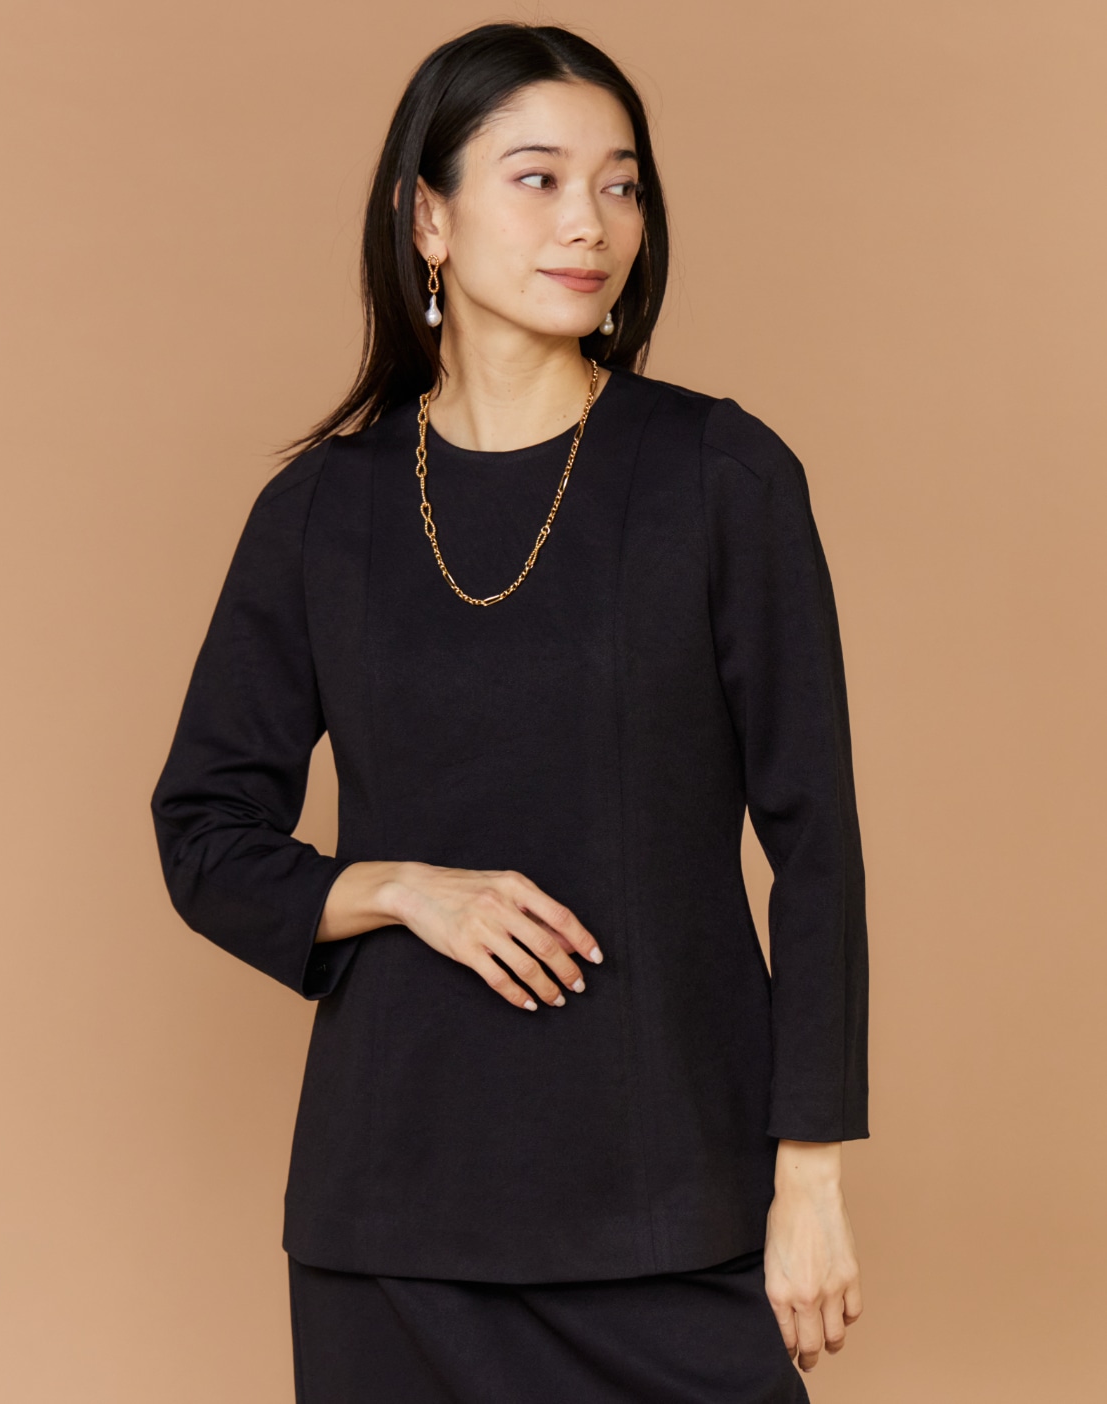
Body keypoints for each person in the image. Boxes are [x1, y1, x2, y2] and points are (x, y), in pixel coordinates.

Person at [150, 21, 869, 1404]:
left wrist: (810, 1177)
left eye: (620, 183)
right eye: (537, 178)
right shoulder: (322, 512)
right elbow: (205, 831)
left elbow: (816, 845)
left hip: (671, 1199)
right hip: (390, 1219)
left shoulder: (719, 476)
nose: (589, 222)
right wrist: (399, 888)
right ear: (427, 218)